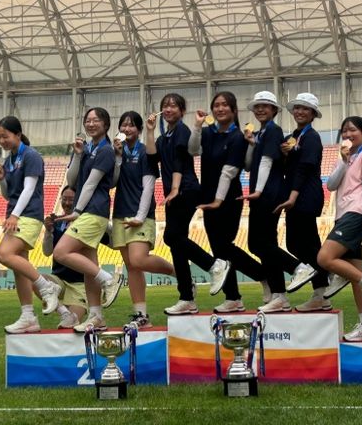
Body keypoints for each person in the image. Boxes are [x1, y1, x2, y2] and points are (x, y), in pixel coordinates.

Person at [145, 93, 230, 315]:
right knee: (177, 246)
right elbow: (152, 158)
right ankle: (186, 298)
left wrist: (175, 189)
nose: (168, 109)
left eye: (174, 106)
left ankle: (214, 265)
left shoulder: (182, 131)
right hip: (174, 193)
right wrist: (150, 131)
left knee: (171, 237)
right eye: (165, 105)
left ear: (182, 111)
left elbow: (180, 161)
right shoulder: (164, 137)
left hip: (186, 189)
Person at [189, 92, 267, 313]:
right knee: (218, 250)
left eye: (225, 105)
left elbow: (230, 171)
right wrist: (197, 126)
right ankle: (233, 297)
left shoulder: (238, 136)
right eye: (216, 105)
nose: (220, 108)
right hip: (208, 197)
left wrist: (218, 200)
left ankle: (263, 276)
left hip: (229, 199)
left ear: (234, 110)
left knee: (224, 246)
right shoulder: (207, 132)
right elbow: (193, 150)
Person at [316, 116, 362, 340]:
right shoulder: (344, 157)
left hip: (356, 213)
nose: (348, 134)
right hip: (342, 215)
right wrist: (343, 160)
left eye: (353, 130)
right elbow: (331, 185)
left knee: (324, 258)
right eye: (345, 131)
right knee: (355, 275)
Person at [53, 107, 123, 332]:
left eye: (96, 120)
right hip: (87, 211)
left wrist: (77, 210)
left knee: (60, 252)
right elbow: (72, 180)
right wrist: (77, 154)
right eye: (88, 120)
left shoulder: (105, 150)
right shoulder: (87, 149)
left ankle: (109, 280)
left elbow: (92, 183)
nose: (91, 124)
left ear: (106, 124)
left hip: (93, 211)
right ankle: (96, 316)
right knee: (89, 268)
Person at [0, 116, 62, 334]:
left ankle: (47, 286)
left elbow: (29, 189)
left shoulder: (31, 156)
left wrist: (14, 215)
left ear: (18, 134)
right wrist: (1, 179)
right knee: (19, 269)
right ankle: (30, 316)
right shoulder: (9, 160)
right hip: (16, 214)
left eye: (5, 136)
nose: (2, 141)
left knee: (4, 254)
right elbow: (8, 194)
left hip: (28, 215)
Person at [112, 111, 176, 327]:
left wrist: (140, 217)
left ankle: (180, 275)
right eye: (123, 125)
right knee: (132, 266)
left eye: (131, 125)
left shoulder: (145, 152)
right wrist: (117, 157)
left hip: (141, 214)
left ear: (139, 130)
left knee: (139, 259)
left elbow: (148, 187)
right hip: (120, 213)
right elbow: (112, 182)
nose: (126, 129)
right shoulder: (116, 152)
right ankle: (141, 315)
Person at [240, 91, 302, 313]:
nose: (260, 109)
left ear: (274, 110)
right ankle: (279, 295)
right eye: (257, 106)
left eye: (265, 106)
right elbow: (249, 165)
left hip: (268, 193)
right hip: (263, 193)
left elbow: (267, 162)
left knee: (259, 244)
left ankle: (297, 268)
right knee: (264, 245)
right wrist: (251, 144)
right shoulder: (261, 134)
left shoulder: (273, 131)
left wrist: (257, 191)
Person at [279, 93, 340, 312]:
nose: (300, 112)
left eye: (305, 109)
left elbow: (305, 167)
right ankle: (321, 291)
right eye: (297, 108)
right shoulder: (292, 137)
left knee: (298, 244)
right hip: (297, 194)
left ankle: (328, 273)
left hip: (305, 195)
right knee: (307, 244)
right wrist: (285, 156)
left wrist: (293, 196)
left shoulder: (311, 137)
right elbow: (287, 167)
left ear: (313, 114)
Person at [40, 185, 88, 329]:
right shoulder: (57, 222)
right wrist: (48, 231)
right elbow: (47, 252)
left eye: (71, 200)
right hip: (58, 281)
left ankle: (69, 316)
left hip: (80, 284)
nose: (67, 203)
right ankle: (63, 312)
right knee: (36, 279)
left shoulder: (85, 222)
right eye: (64, 199)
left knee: (70, 327)